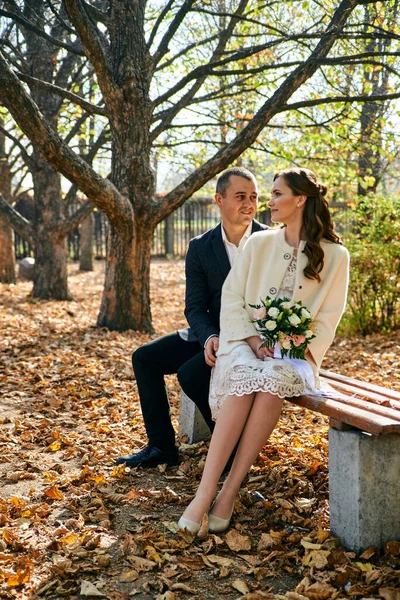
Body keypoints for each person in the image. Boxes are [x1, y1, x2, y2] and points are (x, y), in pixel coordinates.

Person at [178, 167, 349, 533]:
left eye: (275, 194)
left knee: (272, 383)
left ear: (299, 199)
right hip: (246, 341)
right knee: (243, 379)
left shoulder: (336, 255)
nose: (266, 202)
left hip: (296, 354)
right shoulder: (259, 243)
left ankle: (229, 493)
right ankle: (205, 494)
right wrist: (254, 341)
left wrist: (295, 346)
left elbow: (329, 317)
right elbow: (233, 297)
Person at [116, 167, 268, 469]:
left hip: (252, 338)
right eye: (240, 197)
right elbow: (195, 306)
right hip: (212, 331)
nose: (248, 204)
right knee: (144, 358)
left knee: (191, 373)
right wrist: (210, 337)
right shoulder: (200, 247)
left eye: (253, 197)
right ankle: (161, 447)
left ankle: (230, 450)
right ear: (219, 200)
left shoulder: (269, 242)